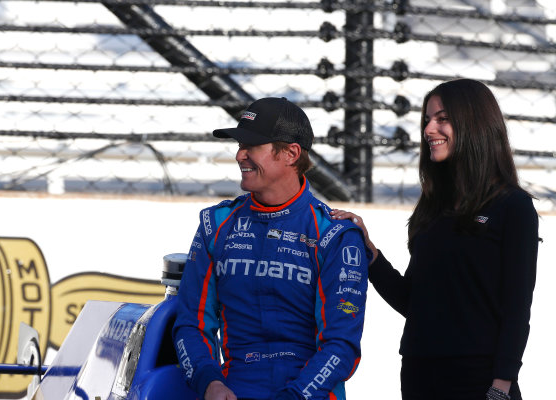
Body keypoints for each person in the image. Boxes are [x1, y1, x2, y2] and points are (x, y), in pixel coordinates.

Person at [330, 78, 539, 400]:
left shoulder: (513, 206)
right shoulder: (434, 207)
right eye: (427, 120)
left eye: (442, 119)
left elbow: (516, 309)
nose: (429, 130)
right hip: (419, 372)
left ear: (475, 123)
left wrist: (502, 383)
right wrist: (369, 253)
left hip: (480, 379)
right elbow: (415, 303)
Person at [172, 97, 370, 400]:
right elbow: (191, 323)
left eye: (252, 145)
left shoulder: (335, 235)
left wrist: (295, 396)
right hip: (232, 390)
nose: (240, 155)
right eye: (240, 145)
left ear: (291, 153)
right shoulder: (216, 224)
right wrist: (209, 381)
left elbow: (341, 345)